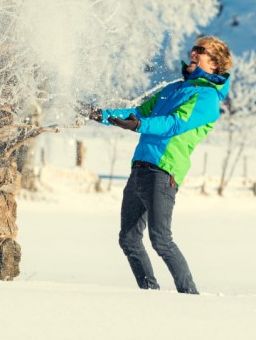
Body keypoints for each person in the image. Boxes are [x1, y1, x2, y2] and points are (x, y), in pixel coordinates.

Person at [88, 36, 232, 293]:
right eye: (194, 48)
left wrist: (139, 126)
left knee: (161, 240)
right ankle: (150, 294)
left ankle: (190, 296)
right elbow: (139, 113)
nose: (193, 52)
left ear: (215, 63)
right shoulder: (174, 88)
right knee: (128, 239)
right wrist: (102, 114)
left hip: (163, 171)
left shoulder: (207, 97)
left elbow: (174, 125)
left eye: (201, 50)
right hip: (140, 167)